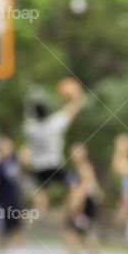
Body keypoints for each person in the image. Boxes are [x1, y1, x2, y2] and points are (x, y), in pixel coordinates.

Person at [23, 78, 85, 212]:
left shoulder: (30, 128)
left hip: (37, 166)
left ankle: (39, 216)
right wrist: (77, 95)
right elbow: (70, 111)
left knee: (42, 192)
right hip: (52, 164)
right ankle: (72, 211)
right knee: (75, 183)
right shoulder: (53, 124)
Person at [62, 143, 102, 254]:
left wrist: (77, 207)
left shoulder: (85, 167)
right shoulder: (76, 169)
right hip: (79, 205)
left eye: (77, 152)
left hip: (83, 206)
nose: (74, 155)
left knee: (81, 231)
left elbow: (86, 187)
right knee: (74, 232)